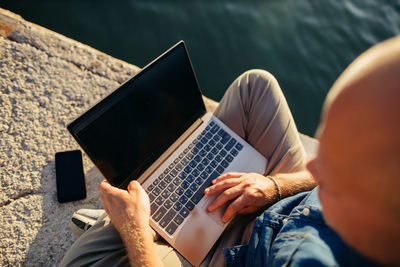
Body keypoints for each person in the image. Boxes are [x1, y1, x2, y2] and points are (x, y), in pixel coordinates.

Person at [60, 36, 400, 266]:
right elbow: (312, 182)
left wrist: (133, 228)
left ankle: (139, 227)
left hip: (241, 253)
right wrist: (275, 187)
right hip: (277, 206)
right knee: (256, 85)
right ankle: (159, 218)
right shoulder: (376, 219)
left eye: (334, 165)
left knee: (81, 260)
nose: (312, 168)